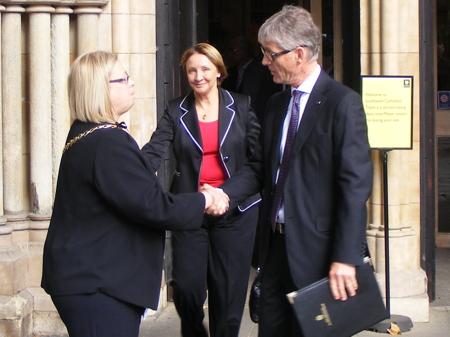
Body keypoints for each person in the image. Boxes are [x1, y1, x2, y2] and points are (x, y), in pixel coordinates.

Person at [41, 50, 228, 337]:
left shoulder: (87, 132)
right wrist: (206, 199)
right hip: (97, 285)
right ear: (101, 89)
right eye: (123, 78)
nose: (132, 83)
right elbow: (151, 205)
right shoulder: (107, 141)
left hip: (87, 279)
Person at [220, 6, 373, 337]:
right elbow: (262, 167)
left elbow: (354, 187)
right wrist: (223, 194)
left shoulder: (341, 104)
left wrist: (346, 258)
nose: (264, 62)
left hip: (320, 258)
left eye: (270, 54)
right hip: (275, 251)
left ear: (299, 54)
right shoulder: (277, 104)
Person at [141, 43, 261, 337]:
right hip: (191, 210)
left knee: (228, 295)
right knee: (186, 288)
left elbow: (259, 162)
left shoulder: (241, 106)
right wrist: (124, 171)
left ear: (219, 72)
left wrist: (225, 195)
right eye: (192, 70)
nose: (198, 76)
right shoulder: (175, 110)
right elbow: (154, 152)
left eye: (206, 69)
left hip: (235, 212)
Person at [221, 36, 282, 124]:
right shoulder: (229, 73)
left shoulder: (262, 69)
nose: (230, 54)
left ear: (245, 50)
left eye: (234, 50)